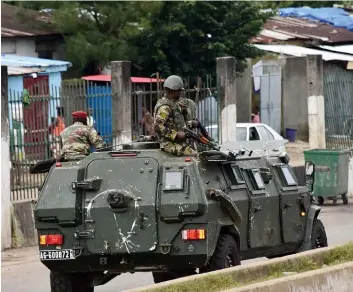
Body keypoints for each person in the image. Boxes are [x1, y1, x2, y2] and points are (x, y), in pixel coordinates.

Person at [153, 75, 196, 156]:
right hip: (168, 144)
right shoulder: (165, 107)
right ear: (172, 91)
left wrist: (190, 123)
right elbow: (157, 127)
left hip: (178, 143)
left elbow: (177, 123)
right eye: (179, 90)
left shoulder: (174, 104)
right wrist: (176, 134)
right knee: (194, 156)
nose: (180, 93)